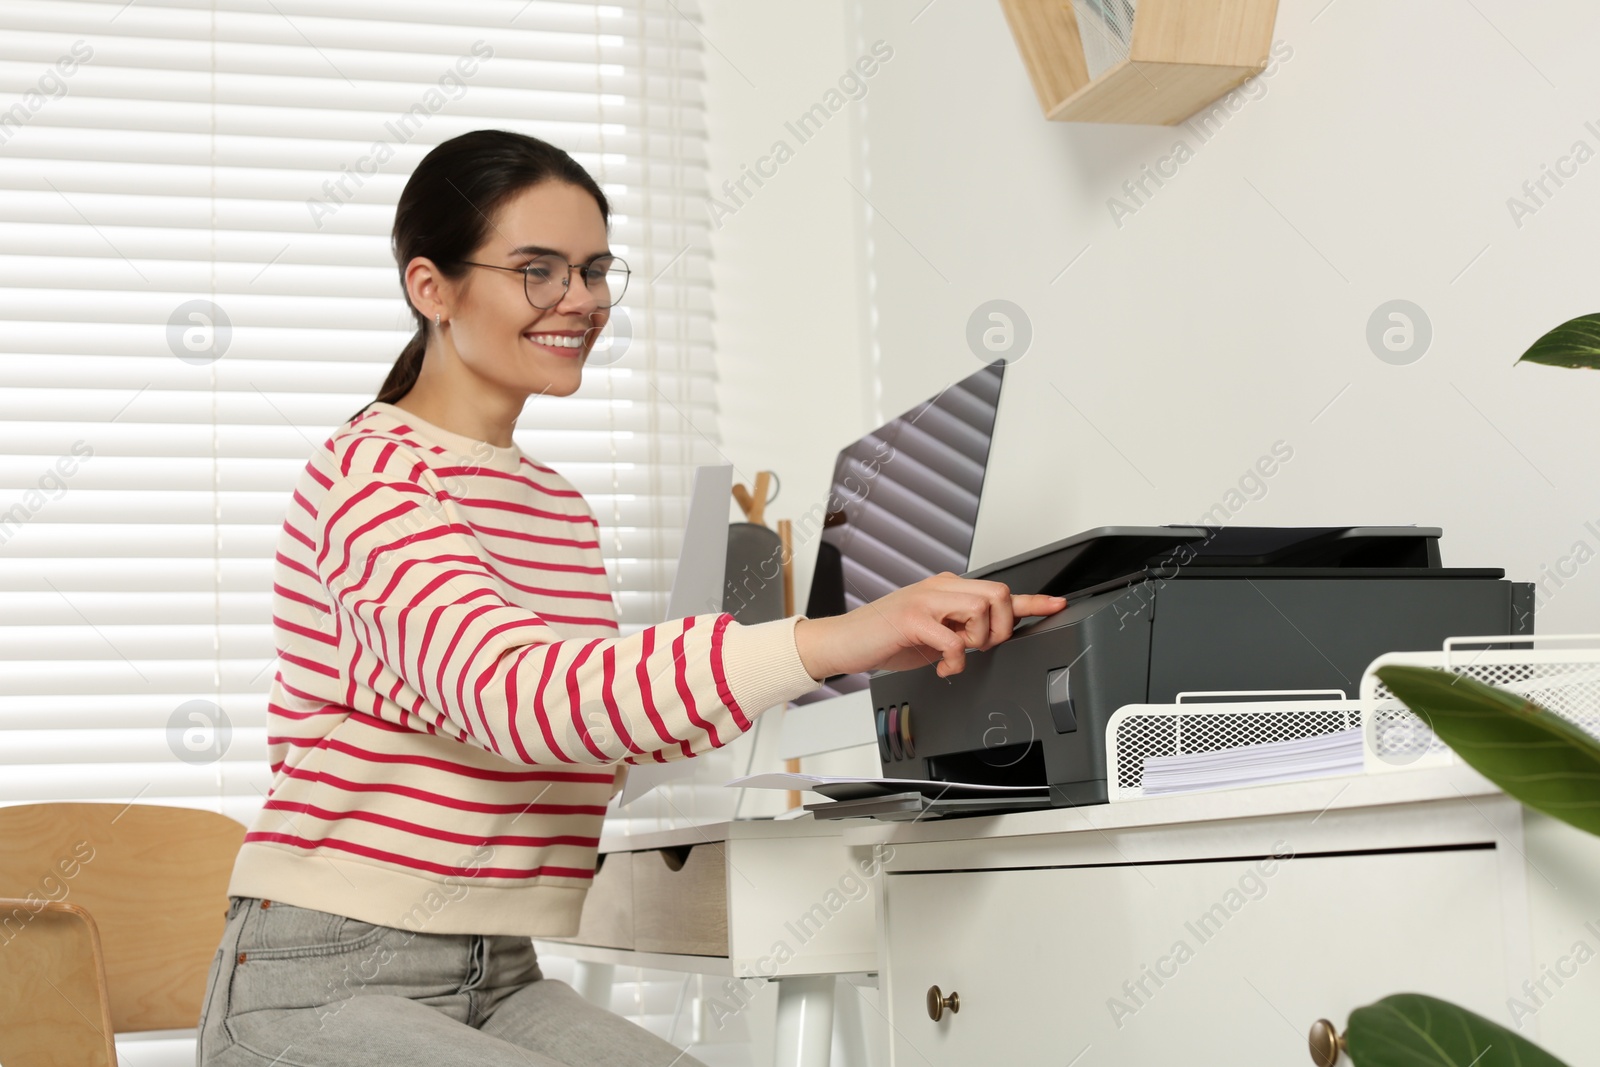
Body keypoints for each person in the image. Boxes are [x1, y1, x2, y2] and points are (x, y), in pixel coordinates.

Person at [195, 129, 1066, 1067]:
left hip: (501, 978)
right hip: (318, 978)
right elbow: (523, 700)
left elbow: (596, 733)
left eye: (595, 269)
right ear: (430, 288)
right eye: (539, 271)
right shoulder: (372, 478)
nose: (581, 300)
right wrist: (827, 640)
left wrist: (854, 654)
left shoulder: (554, 506)